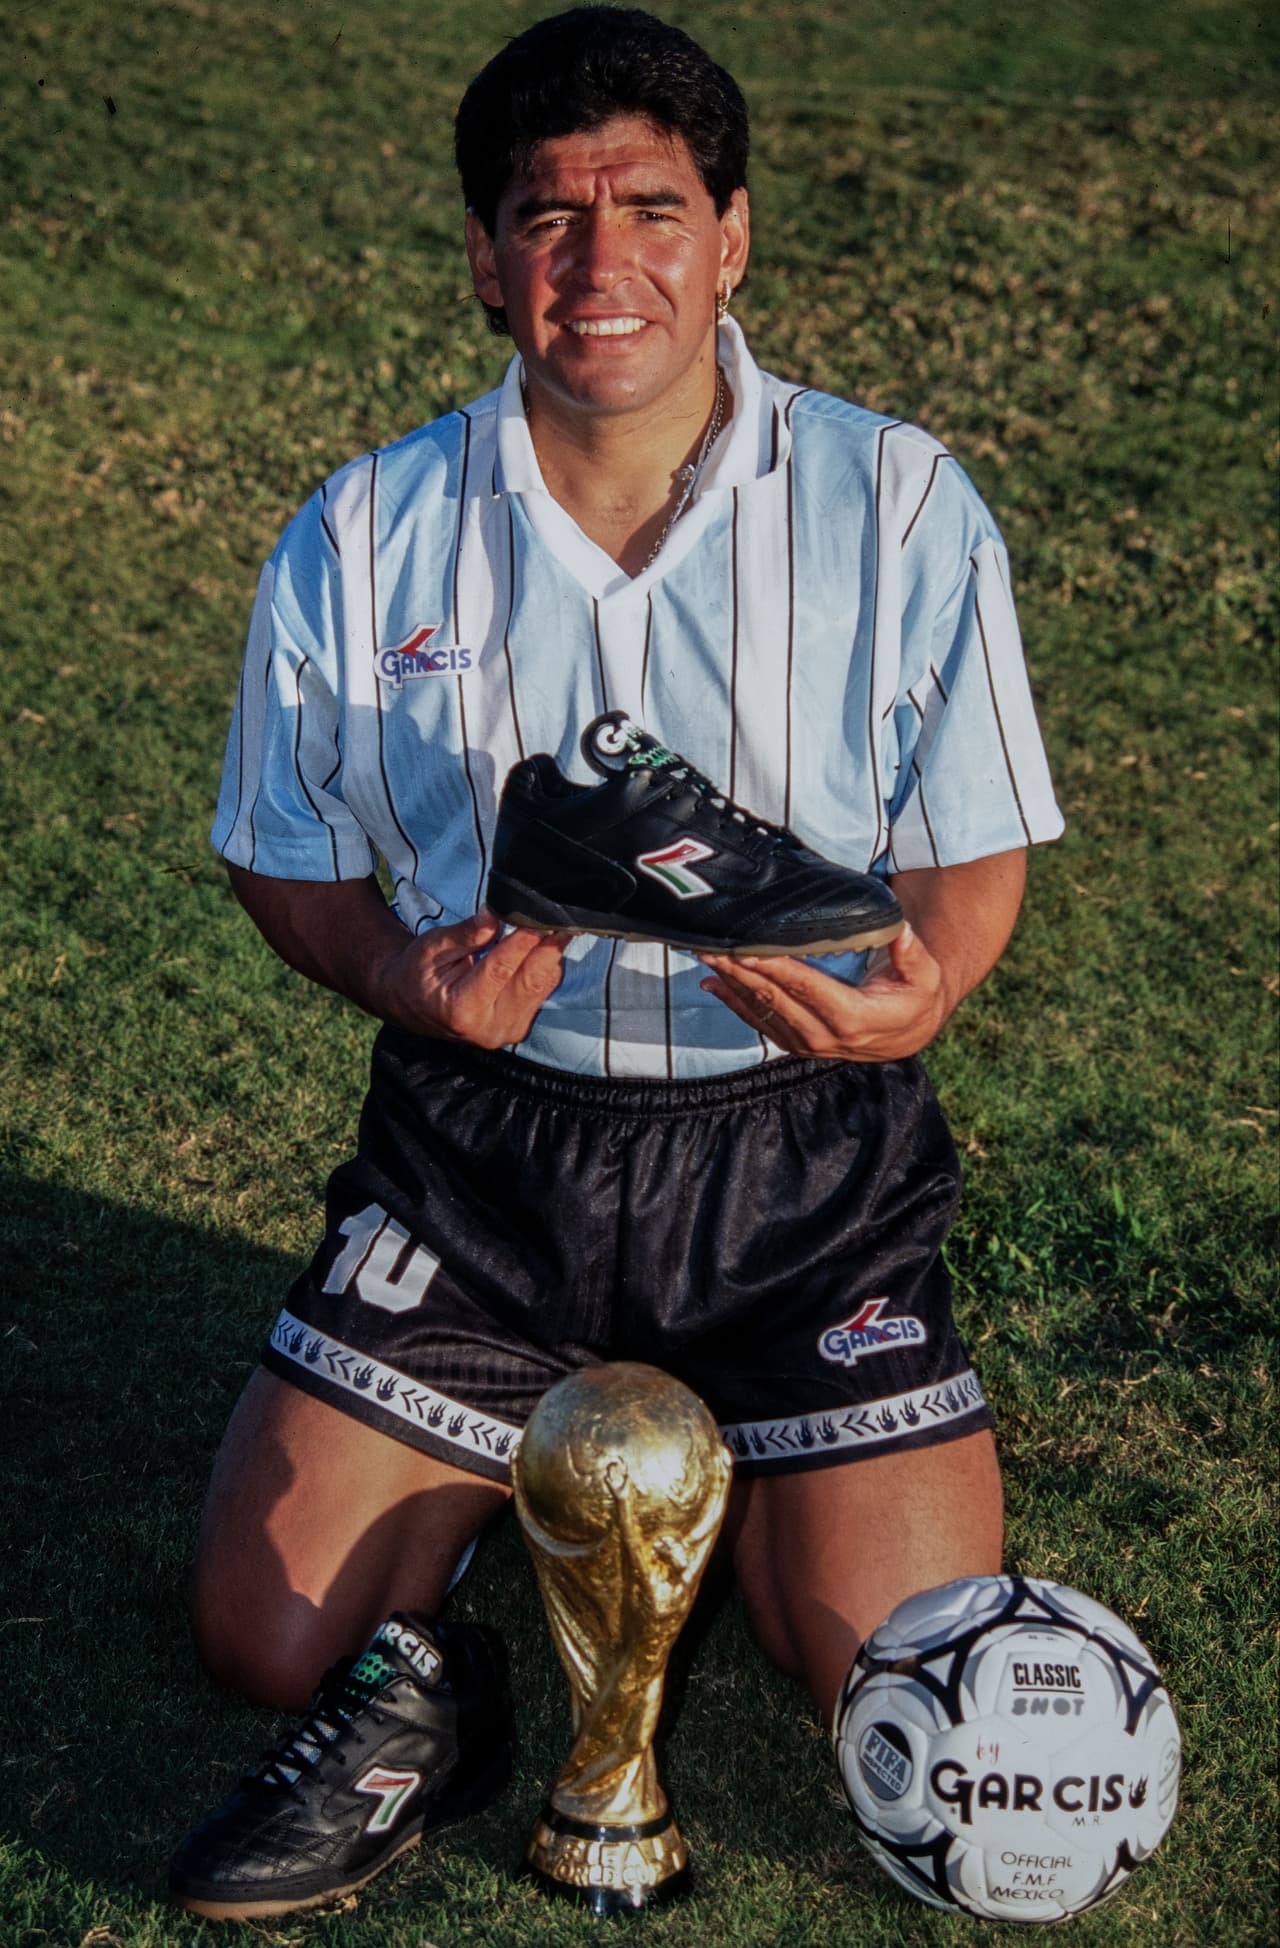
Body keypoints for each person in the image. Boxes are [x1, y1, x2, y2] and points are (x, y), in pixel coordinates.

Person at [169, 4, 1064, 1921]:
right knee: (267, 1631)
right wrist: (411, 986)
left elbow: (971, 860)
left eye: (649, 207)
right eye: (546, 217)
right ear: (488, 257)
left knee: (894, 1665)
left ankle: (716, 1487)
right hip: (482, 1158)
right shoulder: (362, 530)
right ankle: (485, 1645)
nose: (600, 263)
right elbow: (283, 857)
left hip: (802, 1164)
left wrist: (930, 995)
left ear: (729, 236)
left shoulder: (901, 503)